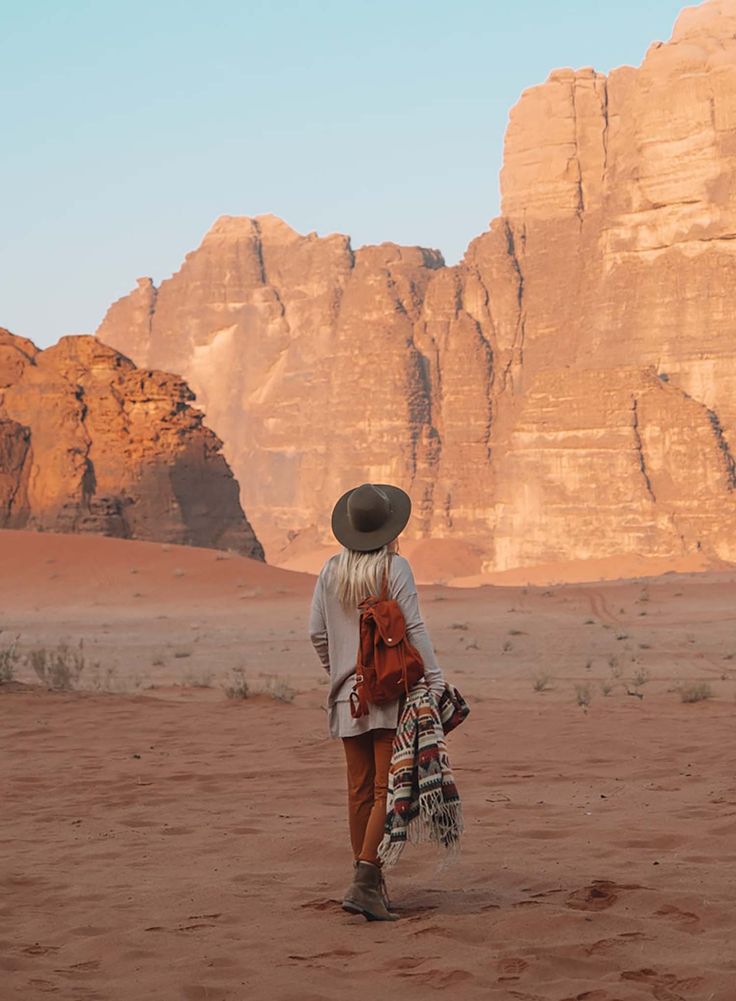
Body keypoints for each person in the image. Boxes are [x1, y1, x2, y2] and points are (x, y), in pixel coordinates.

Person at [309, 482, 445, 921]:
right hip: (388, 694)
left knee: (359, 791)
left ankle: (367, 881)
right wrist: (436, 679)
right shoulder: (395, 567)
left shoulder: (330, 571)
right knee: (387, 791)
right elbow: (415, 629)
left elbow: (317, 634)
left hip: (348, 698)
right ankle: (367, 878)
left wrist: (341, 672)